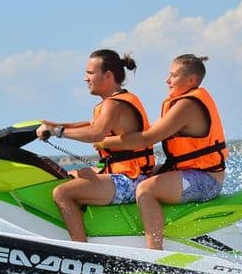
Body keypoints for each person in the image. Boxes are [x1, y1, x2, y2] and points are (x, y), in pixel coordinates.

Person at [96, 54, 227, 250]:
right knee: (141, 175)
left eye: (173, 75)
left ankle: (155, 254)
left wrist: (105, 142)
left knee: (145, 189)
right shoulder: (183, 102)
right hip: (190, 172)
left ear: (191, 80)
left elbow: (149, 137)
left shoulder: (187, 106)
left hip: (206, 180)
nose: (167, 80)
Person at [36, 49, 154, 242]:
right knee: (62, 175)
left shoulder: (114, 104)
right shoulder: (113, 102)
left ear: (108, 76)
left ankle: (81, 251)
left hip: (132, 179)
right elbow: (90, 125)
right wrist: (55, 125)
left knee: (63, 192)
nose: (85, 78)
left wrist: (58, 132)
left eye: (90, 73)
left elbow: (95, 133)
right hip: (123, 174)